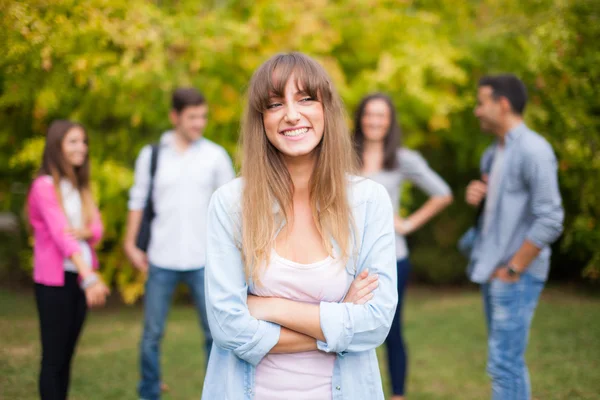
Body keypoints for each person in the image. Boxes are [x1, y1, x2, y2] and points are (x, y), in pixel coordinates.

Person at [201, 52, 398, 400]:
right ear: (261, 119)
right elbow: (227, 328)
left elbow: (375, 323)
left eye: (306, 99)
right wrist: (338, 323)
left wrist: (269, 307)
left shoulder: (369, 201)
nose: (292, 114)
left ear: (327, 109)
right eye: (275, 104)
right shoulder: (230, 204)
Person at [124, 88, 235, 400]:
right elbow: (137, 199)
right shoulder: (152, 155)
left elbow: (230, 208)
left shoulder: (215, 156)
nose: (199, 123)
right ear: (175, 117)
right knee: (151, 335)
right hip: (160, 258)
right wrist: (131, 243)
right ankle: (149, 392)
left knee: (215, 334)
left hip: (205, 260)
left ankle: (220, 392)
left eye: (203, 116)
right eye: (192, 117)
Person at [465, 74, 564, 399]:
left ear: (502, 104)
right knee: (505, 364)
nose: (477, 111)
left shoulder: (535, 150)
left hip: (514, 275)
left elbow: (551, 218)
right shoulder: (493, 153)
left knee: (504, 365)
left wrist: (513, 270)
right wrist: (480, 193)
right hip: (496, 271)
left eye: (482, 103)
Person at [353, 93, 453, 399]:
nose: (375, 121)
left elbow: (442, 193)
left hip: (391, 259)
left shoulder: (403, 159)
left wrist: (407, 224)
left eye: (382, 116)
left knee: (391, 333)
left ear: (390, 121)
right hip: (349, 258)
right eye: (370, 114)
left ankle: (397, 394)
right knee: (351, 332)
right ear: (360, 118)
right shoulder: (342, 155)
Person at [27, 120, 110, 400]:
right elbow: (63, 237)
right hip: (56, 281)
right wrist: (90, 277)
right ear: (56, 146)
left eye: (83, 141)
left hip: (77, 279)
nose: (82, 148)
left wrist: (84, 232)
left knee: (67, 355)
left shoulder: (80, 187)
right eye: (73, 142)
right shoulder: (44, 186)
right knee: (53, 358)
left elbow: (97, 230)